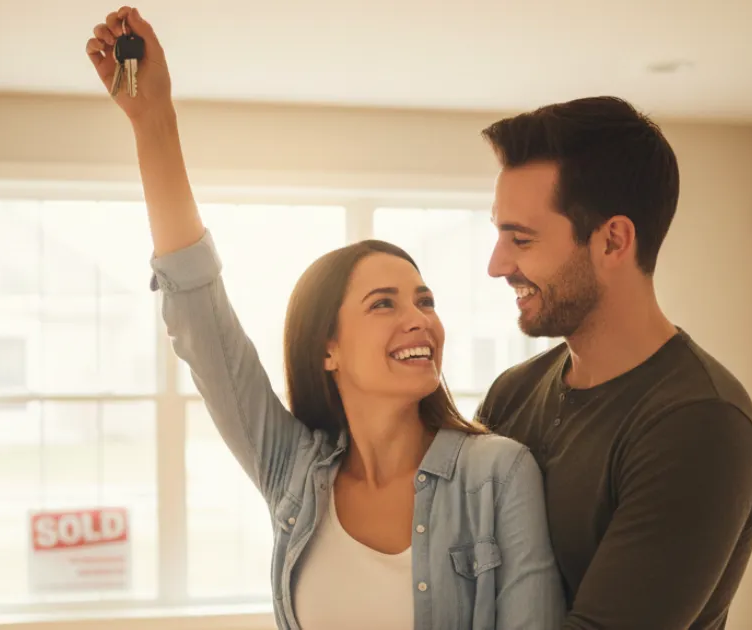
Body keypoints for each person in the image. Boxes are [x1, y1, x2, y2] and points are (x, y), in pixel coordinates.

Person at [85, 6, 565, 629]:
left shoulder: (497, 473)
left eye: (424, 300)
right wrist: (153, 118)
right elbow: (200, 319)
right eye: (383, 303)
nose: (419, 319)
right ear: (327, 349)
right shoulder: (294, 472)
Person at [473, 96, 752, 630]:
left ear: (613, 241)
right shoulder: (512, 392)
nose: (497, 265)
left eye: (521, 239)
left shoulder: (699, 423)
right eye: (499, 235)